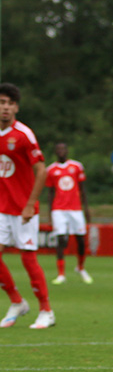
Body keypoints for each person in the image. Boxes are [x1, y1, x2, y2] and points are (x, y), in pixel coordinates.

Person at [0, 83, 55, 329]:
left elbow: (41, 169)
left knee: (28, 258)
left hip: (23, 209)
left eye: (10, 104)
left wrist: (31, 203)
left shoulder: (24, 135)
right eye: (2, 102)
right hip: (1, 207)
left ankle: (46, 310)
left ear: (16, 108)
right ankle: (17, 301)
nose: (5, 108)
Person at [45, 142, 93, 284]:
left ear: (67, 151)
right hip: (58, 209)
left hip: (76, 209)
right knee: (61, 240)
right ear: (55, 152)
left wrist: (86, 209)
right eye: (58, 149)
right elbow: (50, 193)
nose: (61, 151)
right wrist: (49, 214)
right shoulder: (51, 170)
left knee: (80, 240)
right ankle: (61, 274)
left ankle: (81, 267)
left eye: (63, 149)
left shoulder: (76, 167)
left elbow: (82, 189)